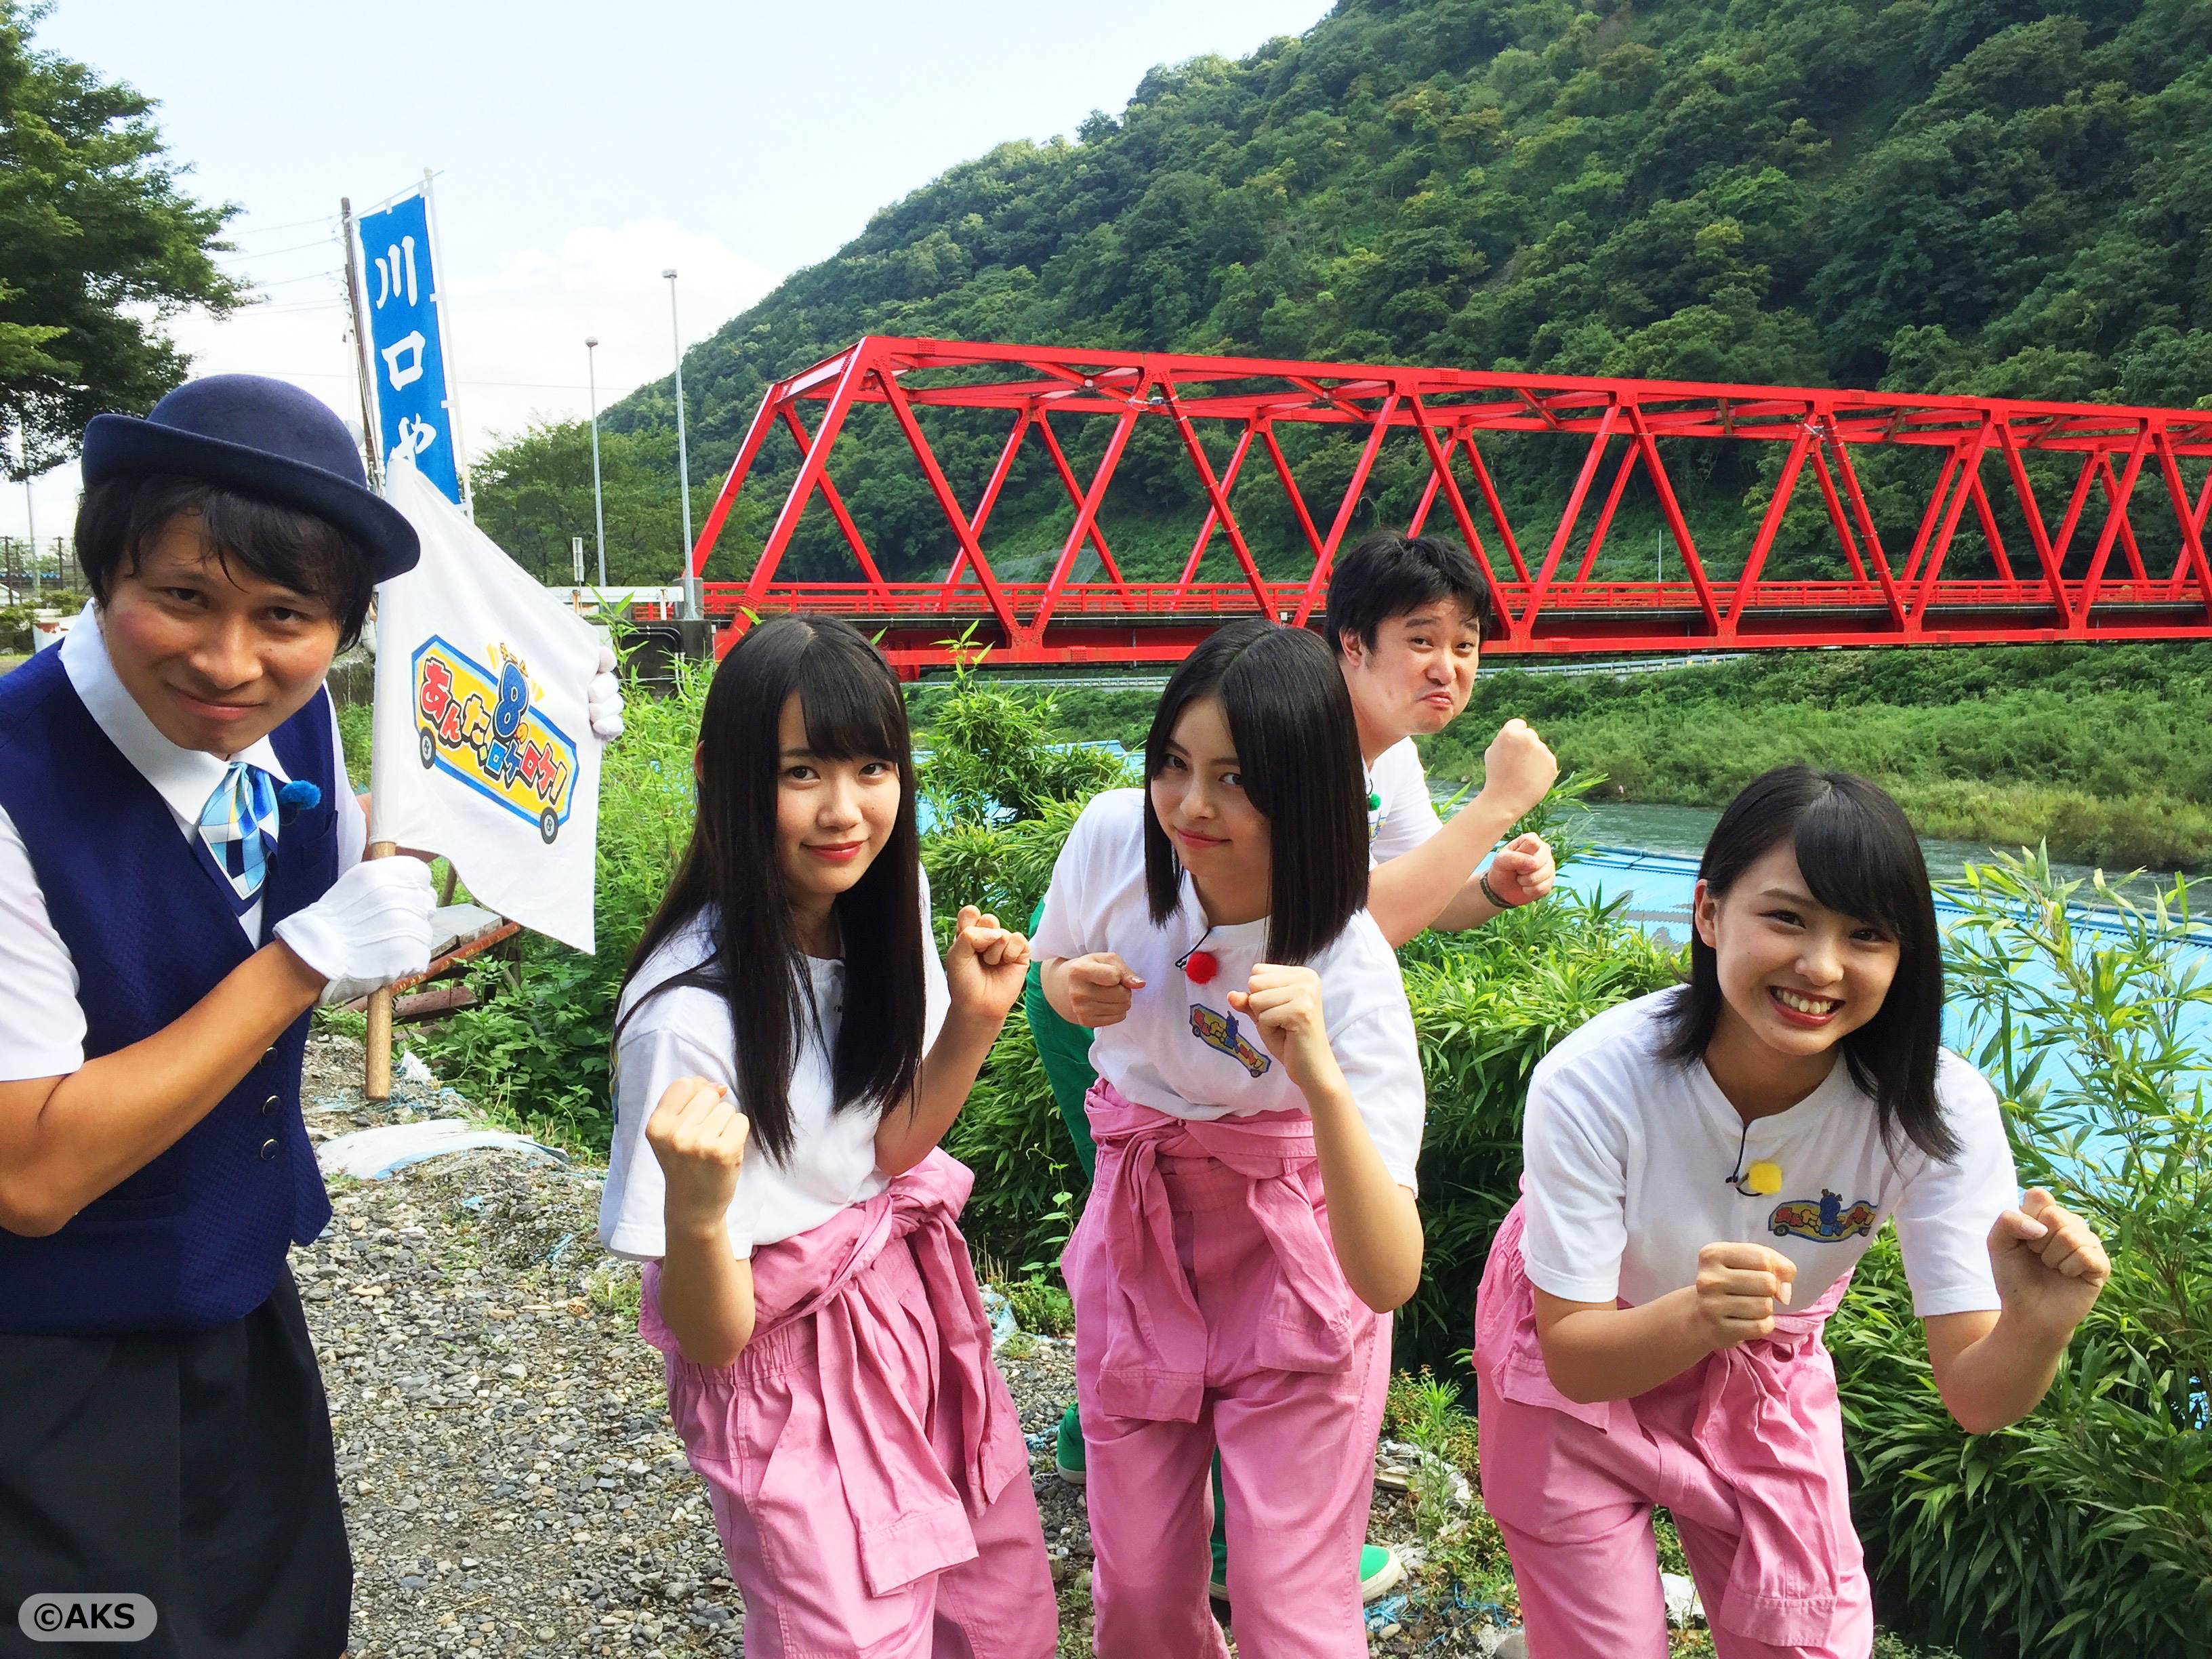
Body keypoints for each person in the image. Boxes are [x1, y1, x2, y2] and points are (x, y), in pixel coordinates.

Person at [0, 375, 618, 1656]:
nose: (231, 663)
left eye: (286, 616)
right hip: (46, 1355)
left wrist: (522, 782)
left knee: (280, 1623)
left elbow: (341, 891)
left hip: (241, 1294)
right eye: (183, 598)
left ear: (341, 626)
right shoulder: (14, 784)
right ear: (105, 574)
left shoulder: (298, 721)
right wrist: (305, 961)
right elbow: (34, 1173)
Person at [1473, 767, 2112, 1658]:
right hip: (1579, 1350)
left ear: (1905, 954)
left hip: (1766, 1369)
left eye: (1866, 934)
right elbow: (1575, 1359)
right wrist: (1697, 1316)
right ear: (1708, 912)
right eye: (1787, 918)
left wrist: (2038, 1325)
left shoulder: (1935, 1110)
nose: (1821, 967)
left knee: (1808, 1639)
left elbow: (1975, 1396)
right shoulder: (1594, 1080)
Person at [1031, 530, 1561, 1605]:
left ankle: (1249, 1526)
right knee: (1150, 1243)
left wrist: (1488, 886)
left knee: (1237, 1272)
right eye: (1421, 640)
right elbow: (1362, 915)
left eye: (1466, 645)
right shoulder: (1196, 782)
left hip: (1269, 1055)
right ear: (1348, 648)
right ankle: (1149, 1459)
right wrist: (1498, 805)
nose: (1447, 668)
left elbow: (1373, 921)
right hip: (1133, 1016)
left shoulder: (1381, 792)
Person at [597, 615, 1057, 1659]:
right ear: (719, 773)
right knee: (847, 1638)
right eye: (801, 772)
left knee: (989, 1612)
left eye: (871, 768)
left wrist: (974, 1020)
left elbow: (884, 1154)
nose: (845, 811)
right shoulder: (687, 1021)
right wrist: (699, 1216)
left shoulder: (879, 905)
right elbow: (714, 1340)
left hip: (896, 1304)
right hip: (777, 1367)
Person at [1033, 618, 1436, 1658]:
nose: (1191, 806)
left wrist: (1322, 1081)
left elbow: (1388, 1272)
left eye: (1235, 779)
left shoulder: (1348, 968)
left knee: (1287, 1595)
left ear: (1307, 792)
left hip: (1294, 1249)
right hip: (1142, 1227)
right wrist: (1071, 989)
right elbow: (1054, 965)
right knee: (1137, 1583)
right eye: (1174, 764)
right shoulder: (1117, 837)